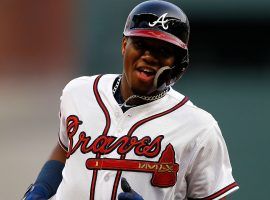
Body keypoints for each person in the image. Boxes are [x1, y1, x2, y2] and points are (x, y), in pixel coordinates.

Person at [23, 0, 239, 199]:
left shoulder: (200, 128)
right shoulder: (79, 92)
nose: (149, 56)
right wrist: (41, 187)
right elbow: (65, 148)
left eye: (163, 51)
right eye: (141, 45)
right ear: (124, 45)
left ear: (177, 63)